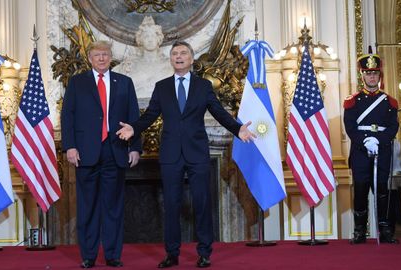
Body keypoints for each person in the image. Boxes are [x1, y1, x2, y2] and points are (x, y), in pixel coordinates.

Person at [116, 41, 256, 268]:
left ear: (191, 59)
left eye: (183, 53)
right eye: (174, 54)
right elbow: (150, 114)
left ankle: (204, 252)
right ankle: (172, 254)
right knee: (171, 204)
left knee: (201, 202)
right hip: (171, 154)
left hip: (197, 152)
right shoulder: (162, 87)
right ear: (171, 59)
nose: (178, 57)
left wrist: (237, 128)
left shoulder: (203, 86)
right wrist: (134, 128)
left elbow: (218, 112)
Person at [61, 40, 141, 268]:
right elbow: (68, 116)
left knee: (113, 207)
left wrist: (135, 147)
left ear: (110, 57)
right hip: (85, 152)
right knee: (87, 207)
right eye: (97, 55)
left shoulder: (125, 83)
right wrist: (70, 146)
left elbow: (134, 117)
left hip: (115, 151)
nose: (102, 58)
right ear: (90, 58)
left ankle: (113, 255)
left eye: (105, 54)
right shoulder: (77, 83)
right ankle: (88, 256)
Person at [343, 51, 399, 244]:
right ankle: (360, 231)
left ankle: (385, 231)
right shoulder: (352, 101)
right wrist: (366, 140)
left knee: (382, 192)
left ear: (379, 75)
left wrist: (379, 141)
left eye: (375, 73)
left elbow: (393, 126)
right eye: (368, 73)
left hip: (382, 152)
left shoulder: (389, 102)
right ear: (362, 75)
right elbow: (350, 127)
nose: (372, 76)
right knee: (360, 192)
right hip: (360, 153)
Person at [113, 16, 173, 100]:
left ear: (158, 39)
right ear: (140, 40)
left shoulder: (170, 65)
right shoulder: (128, 66)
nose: (150, 40)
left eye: (153, 36)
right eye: (146, 36)